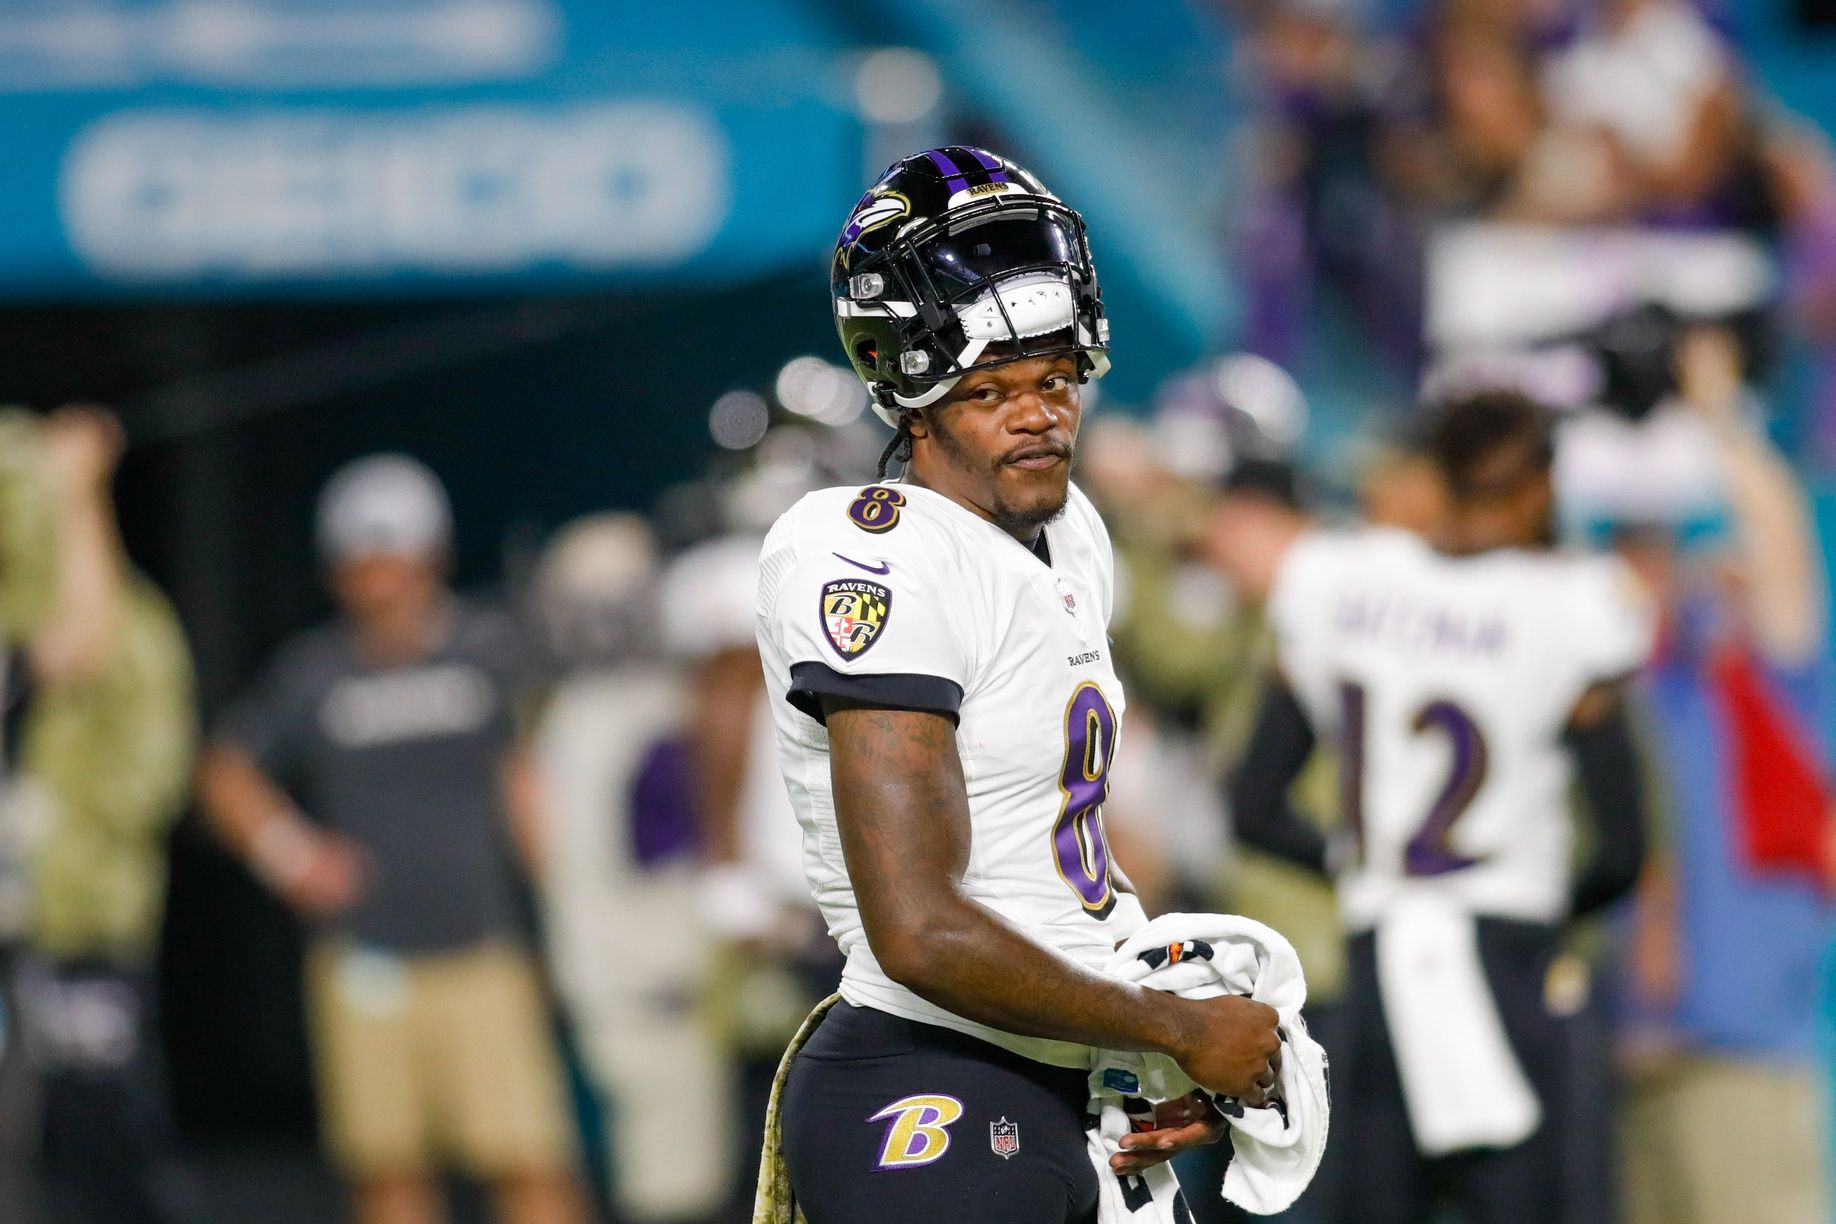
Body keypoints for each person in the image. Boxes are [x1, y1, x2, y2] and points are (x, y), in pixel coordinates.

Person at [753, 147, 1283, 1224]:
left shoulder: (1073, 532)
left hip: (1071, 1075)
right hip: (928, 1069)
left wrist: (1145, 1055)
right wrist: (1172, 1030)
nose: (1037, 415)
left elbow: (1051, 855)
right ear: (911, 399)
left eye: (1053, 380)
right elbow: (920, 927)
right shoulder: (875, 554)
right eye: (989, 390)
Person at [1229, 389, 1653, 1224]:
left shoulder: (1336, 581)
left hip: (1377, 957)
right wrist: (1548, 912)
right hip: (1512, 963)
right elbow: (1623, 848)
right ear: (1538, 486)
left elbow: (1253, 806)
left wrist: (1368, 869)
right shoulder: (1573, 603)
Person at [197, 455, 585, 1224]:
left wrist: (567, 924)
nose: (380, 579)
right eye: (362, 560)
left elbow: (532, 783)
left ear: (431, 556)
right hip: (365, 961)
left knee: (528, 1161)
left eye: (395, 558)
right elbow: (223, 771)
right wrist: (292, 853)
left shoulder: (490, 651)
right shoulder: (315, 672)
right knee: (387, 1171)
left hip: (484, 952)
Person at [1608, 327, 1832, 1224]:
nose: (1650, 565)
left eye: (1662, 544)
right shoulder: (1618, 684)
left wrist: (1714, 407)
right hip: (1625, 1055)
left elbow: (1779, 541)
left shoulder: (1766, 684)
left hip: (1741, 1054)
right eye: (1631, 545)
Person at [0, 405, 199, 1224]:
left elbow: (81, 646)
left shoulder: (85, 616)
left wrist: (77, 494)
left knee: (103, 1144)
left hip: (67, 930)